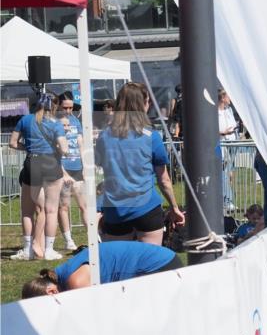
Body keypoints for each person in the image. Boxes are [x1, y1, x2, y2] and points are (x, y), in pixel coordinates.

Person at [96, 82, 185, 246]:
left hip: (115, 210)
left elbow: (101, 167)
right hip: (146, 209)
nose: (149, 105)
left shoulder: (104, 136)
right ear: (142, 103)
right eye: (148, 101)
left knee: (120, 265)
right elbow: (163, 179)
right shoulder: (151, 136)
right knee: (150, 265)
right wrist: (174, 207)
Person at [9, 94, 69, 260]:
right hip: (50, 164)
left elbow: (13, 143)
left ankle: (28, 249)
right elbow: (64, 148)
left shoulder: (25, 120)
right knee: (51, 210)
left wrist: (28, 148)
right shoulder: (56, 123)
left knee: (27, 211)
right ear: (53, 107)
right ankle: (49, 250)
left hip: (32, 162)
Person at [21, 241, 182, 297]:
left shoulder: (76, 282)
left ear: (51, 292)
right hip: (162, 260)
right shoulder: (63, 272)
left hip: (161, 267)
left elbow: (95, 313)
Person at [56, 93, 88, 251]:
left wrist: (86, 165)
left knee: (84, 205)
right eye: (65, 107)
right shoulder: (54, 122)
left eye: (71, 107)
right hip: (62, 167)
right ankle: (68, 240)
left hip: (77, 168)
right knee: (64, 206)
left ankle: (93, 237)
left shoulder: (76, 121)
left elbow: (81, 144)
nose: (69, 111)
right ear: (58, 106)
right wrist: (62, 173)